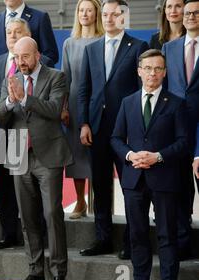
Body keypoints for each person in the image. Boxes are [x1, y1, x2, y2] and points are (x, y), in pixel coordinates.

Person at [0, 37, 71, 280]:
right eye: (17, 57)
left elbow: (52, 109)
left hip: (48, 155)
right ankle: (35, 272)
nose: (21, 62)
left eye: (25, 57)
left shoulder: (56, 77)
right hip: (19, 155)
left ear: (37, 55)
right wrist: (9, 102)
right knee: (27, 218)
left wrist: (25, 98)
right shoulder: (10, 79)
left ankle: (59, 275)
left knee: (52, 215)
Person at [111, 49, 188, 280]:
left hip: (164, 178)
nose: (152, 73)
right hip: (134, 178)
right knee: (137, 234)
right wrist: (130, 155)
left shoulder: (176, 103)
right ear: (139, 71)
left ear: (164, 72)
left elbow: (183, 142)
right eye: (148, 68)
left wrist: (158, 156)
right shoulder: (128, 102)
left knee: (166, 235)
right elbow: (116, 138)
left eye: (157, 68)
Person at [78, 0, 149, 259]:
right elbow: (85, 90)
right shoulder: (92, 49)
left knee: (131, 187)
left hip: (126, 130)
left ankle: (133, 241)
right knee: (100, 184)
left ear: (124, 18)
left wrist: (138, 127)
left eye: (115, 14)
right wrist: (84, 122)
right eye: (105, 13)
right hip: (96, 128)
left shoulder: (138, 47)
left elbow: (142, 92)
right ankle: (103, 238)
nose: (109, 18)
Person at [0, 17, 33, 249]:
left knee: (31, 190)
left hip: (28, 137)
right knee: (4, 188)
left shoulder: (37, 63)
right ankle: (8, 233)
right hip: (0, 136)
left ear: (28, 35)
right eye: (9, 32)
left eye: (18, 31)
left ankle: (36, 234)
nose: (12, 36)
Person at [61, 0, 104, 219]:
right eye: (81, 10)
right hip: (75, 106)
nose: (84, 13)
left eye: (89, 9)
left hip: (98, 103)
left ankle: (99, 202)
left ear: (97, 13)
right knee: (76, 155)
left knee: (97, 155)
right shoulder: (69, 42)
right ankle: (80, 201)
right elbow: (65, 77)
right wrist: (64, 107)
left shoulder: (103, 40)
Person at [163, 0, 199, 261]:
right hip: (174, 131)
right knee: (178, 190)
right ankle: (183, 245)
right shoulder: (169, 48)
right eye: (188, 13)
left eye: (196, 13)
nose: (190, 17)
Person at [0, 0, 58, 70]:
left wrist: (31, 69)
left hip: (31, 83)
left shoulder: (40, 17)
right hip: (1, 83)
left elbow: (51, 54)